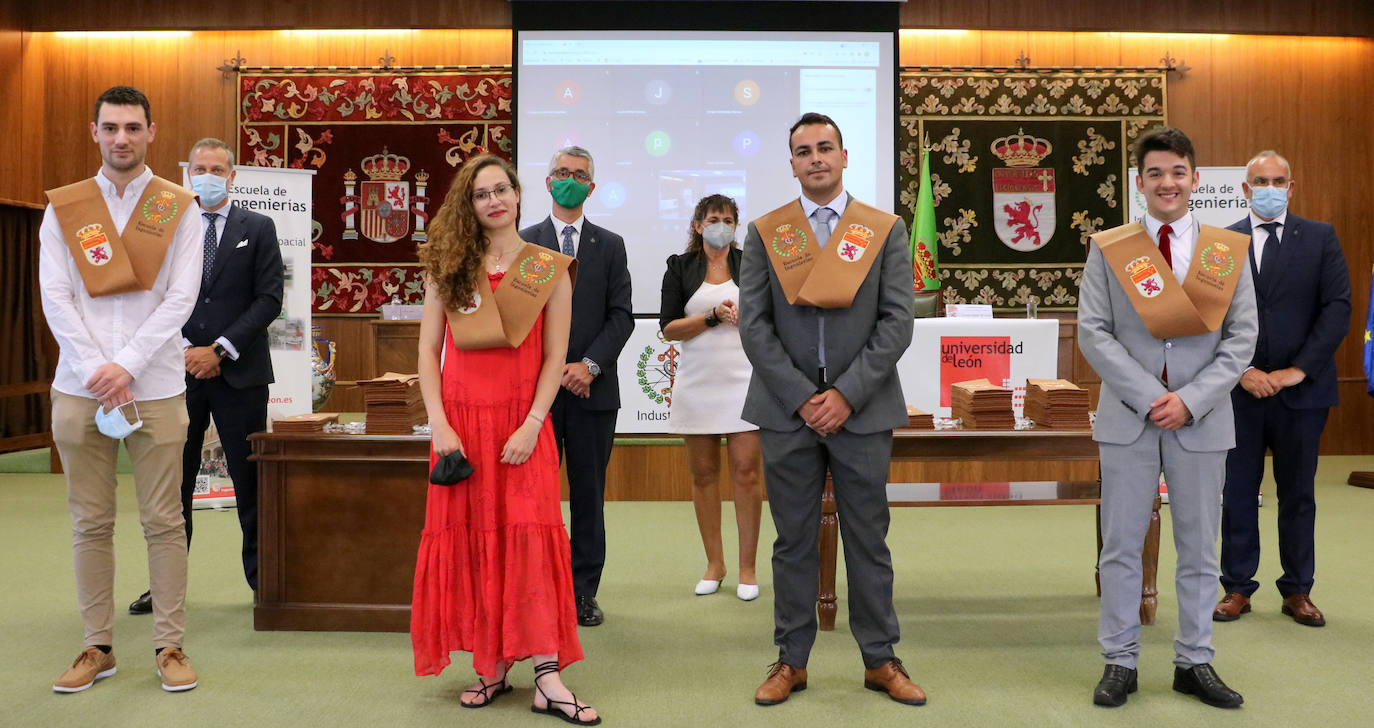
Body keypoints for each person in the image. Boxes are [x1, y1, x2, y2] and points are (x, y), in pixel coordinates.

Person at [739, 113, 923, 707]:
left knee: (868, 538)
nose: (815, 158)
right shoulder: (769, 232)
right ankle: (791, 660)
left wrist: (845, 394)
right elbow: (755, 325)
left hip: (862, 410)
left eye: (825, 148)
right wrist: (802, 396)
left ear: (844, 156)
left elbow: (898, 321)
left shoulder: (883, 228)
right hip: (785, 410)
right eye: (802, 151)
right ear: (790, 163)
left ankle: (881, 660)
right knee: (792, 541)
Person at [410, 154, 598, 725]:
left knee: (530, 539)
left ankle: (548, 673)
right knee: (473, 539)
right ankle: (490, 665)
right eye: (480, 194)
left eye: (501, 190)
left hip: (522, 426)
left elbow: (554, 356)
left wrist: (535, 422)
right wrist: (440, 423)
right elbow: (427, 351)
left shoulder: (549, 267)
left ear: (519, 196)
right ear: (468, 205)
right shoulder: (450, 266)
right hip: (462, 427)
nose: (493, 201)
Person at [1078, 126, 1257, 709]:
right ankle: (1119, 661)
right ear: (1139, 183)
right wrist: (1147, 395)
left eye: (1177, 172)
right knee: (1121, 546)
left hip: (1200, 420)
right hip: (1129, 418)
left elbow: (1241, 340)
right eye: (1155, 173)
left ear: (1195, 179)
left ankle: (1194, 661)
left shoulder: (1224, 251)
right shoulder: (1111, 248)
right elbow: (1094, 334)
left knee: (1200, 547)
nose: (1167, 183)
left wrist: (1189, 400)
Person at [39, 85, 202, 693]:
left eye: (133, 128)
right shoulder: (65, 209)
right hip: (81, 387)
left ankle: (169, 645)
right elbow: (56, 297)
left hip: (155, 383)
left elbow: (181, 299)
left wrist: (126, 365)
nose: (122, 139)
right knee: (90, 521)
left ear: (151, 133)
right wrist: (96, 369)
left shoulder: (177, 207)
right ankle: (97, 646)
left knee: (164, 519)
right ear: (95, 131)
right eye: (111, 128)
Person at [128, 138, 284, 616]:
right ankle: (165, 588)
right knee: (172, 481)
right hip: (174, 374)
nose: (209, 175)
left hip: (241, 373)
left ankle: (264, 585)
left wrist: (219, 350)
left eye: (218, 168)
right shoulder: (164, 229)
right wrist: (185, 352)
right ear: (186, 173)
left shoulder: (258, 227)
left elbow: (269, 299)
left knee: (250, 481)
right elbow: (147, 298)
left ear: (233, 177)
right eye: (200, 168)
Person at [1213, 151, 1351, 627]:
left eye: (1278, 180)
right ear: (1245, 189)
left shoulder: (1320, 237)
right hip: (1238, 390)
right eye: (1259, 181)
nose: (1269, 187)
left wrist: (1297, 370)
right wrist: (1241, 370)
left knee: (1298, 493)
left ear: (1290, 188)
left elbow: (1337, 309)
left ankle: (1297, 590)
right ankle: (1236, 587)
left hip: (1302, 392)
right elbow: (1207, 316)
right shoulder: (1221, 242)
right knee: (1237, 491)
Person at [520, 146, 633, 627]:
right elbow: (518, 319)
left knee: (588, 496)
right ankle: (535, 589)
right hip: (536, 398)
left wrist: (587, 365)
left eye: (580, 174)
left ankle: (582, 592)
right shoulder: (526, 243)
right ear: (547, 182)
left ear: (592, 185)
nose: (571, 180)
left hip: (593, 392)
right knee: (535, 497)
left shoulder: (610, 245)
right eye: (562, 173)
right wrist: (553, 370)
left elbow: (621, 316)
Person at [658, 194, 763, 602]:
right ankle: (714, 564)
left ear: (737, 226)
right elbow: (669, 328)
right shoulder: (679, 267)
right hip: (697, 384)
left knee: (747, 473)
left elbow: (771, 318)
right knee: (703, 476)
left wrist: (745, 317)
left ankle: (748, 569)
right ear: (698, 225)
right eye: (713, 219)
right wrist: (711, 317)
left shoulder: (750, 264)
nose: (721, 225)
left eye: (729, 219)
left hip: (744, 380)